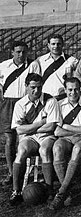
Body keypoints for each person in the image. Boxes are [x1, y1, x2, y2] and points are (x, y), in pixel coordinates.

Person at [9, 73, 61, 205]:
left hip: (46, 136)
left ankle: (49, 189)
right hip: (30, 138)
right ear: (26, 86)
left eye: (39, 87)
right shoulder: (20, 104)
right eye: (33, 87)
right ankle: (16, 191)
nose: (36, 90)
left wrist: (30, 127)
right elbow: (19, 130)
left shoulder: (51, 100)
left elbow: (51, 126)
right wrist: (39, 123)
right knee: (21, 151)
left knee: (44, 151)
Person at [48, 77, 81, 210]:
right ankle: (66, 191)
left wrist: (66, 127)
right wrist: (75, 131)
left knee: (78, 149)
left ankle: (61, 192)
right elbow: (56, 131)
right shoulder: (59, 104)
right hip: (67, 139)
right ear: (65, 90)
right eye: (70, 90)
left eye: (76, 89)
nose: (73, 93)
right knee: (57, 147)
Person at [0, 41, 33, 185]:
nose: (21, 55)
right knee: (9, 140)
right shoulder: (3, 66)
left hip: (24, 103)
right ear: (12, 52)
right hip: (7, 103)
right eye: (18, 52)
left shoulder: (32, 65)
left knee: (23, 138)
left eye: (24, 52)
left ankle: (22, 170)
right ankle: (10, 172)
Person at [27, 34, 78, 101]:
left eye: (58, 44)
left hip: (63, 97)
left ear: (63, 45)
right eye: (53, 44)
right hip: (45, 98)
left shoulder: (72, 61)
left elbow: (76, 80)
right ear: (48, 45)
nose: (56, 46)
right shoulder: (40, 60)